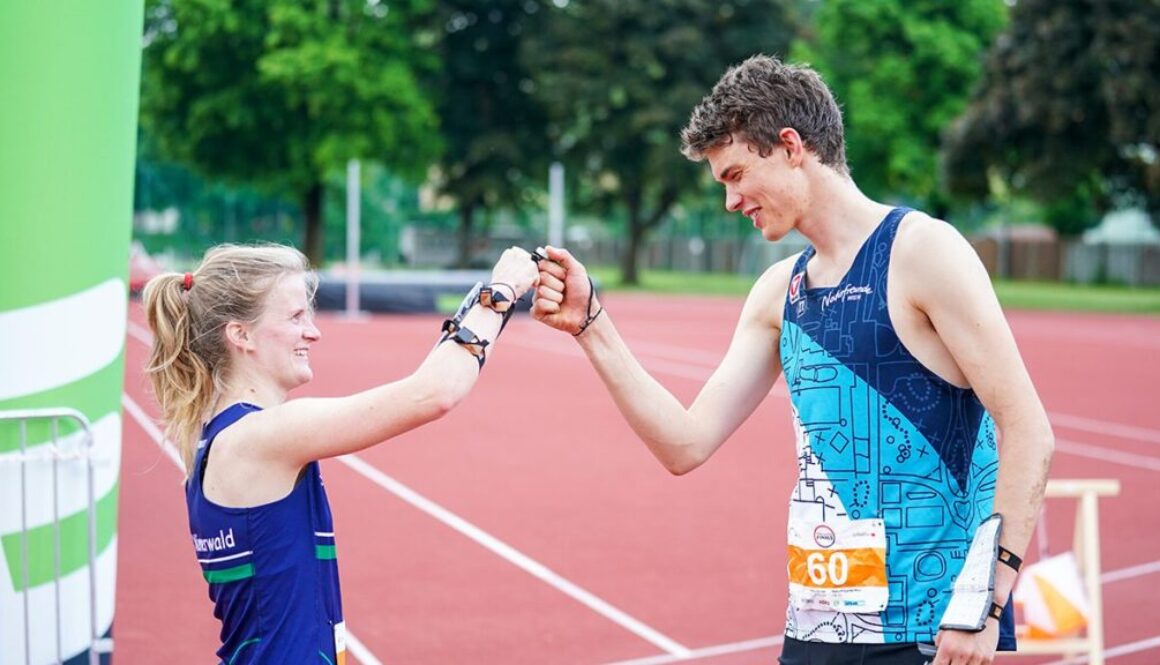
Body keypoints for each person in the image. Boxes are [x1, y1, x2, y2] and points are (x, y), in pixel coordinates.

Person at [531, 55, 1054, 665]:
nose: (730, 201)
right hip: (816, 629)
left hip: (926, 633)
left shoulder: (923, 252)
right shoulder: (780, 292)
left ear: (789, 146)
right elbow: (685, 444)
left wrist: (984, 606)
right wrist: (592, 326)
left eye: (735, 175)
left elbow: (1028, 431)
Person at [142, 243, 538, 664]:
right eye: (295, 317)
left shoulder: (216, 437)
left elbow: (431, 384)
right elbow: (433, 393)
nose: (313, 331)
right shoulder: (261, 436)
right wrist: (500, 293)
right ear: (240, 334)